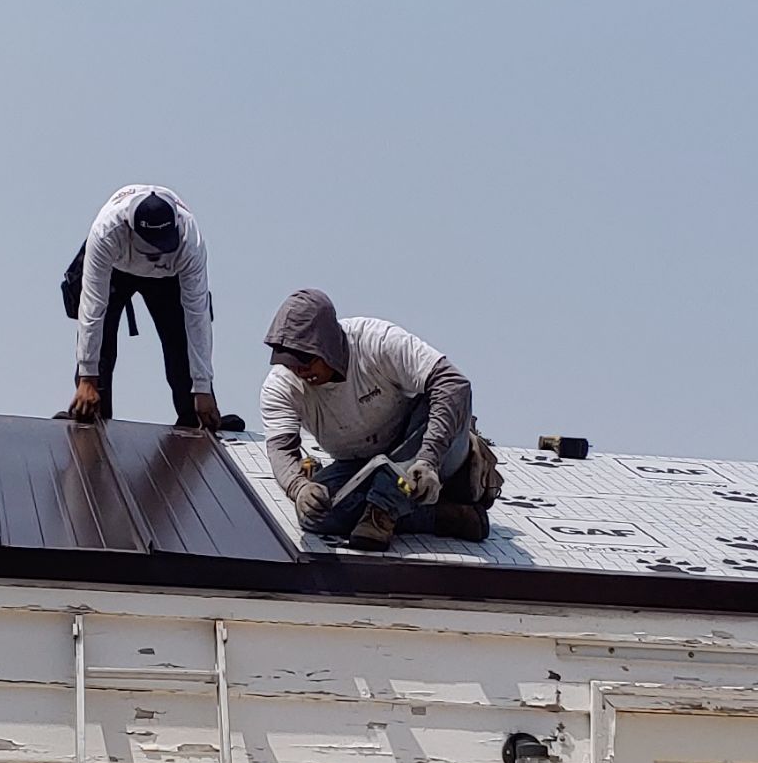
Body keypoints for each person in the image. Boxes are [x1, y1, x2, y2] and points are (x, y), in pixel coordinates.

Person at [259, 288, 498, 551]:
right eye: (291, 362)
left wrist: (429, 458)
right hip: (362, 464)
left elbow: (453, 384)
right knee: (316, 515)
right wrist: (299, 487)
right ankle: (443, 516)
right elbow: (281, 448)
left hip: (421, 445)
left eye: (307, 359)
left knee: (400, 469)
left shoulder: (376, 341)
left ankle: (381, 511)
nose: (301, 370)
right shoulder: (281, 386)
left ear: (328, 344)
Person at [61, 185, 219, 430]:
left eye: (161, 246)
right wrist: (87, 377)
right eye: (150, 247)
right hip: (116, 267)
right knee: (101, 346)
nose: (154, 254)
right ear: (129, 228)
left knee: (180, 340)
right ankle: (91, 411)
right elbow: (93, 308)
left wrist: (203, 388)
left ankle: (196, 415)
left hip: (168, 277)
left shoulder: (190, 240)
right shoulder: (106, 232)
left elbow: (197, 316)